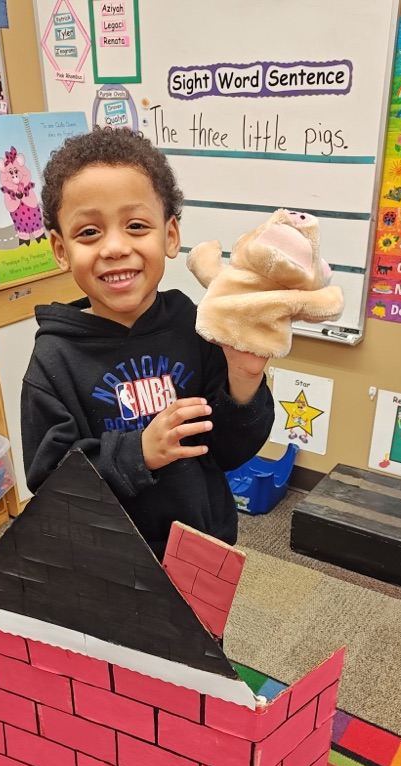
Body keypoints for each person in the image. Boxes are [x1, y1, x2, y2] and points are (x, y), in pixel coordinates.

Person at [21, 127, 274, 559]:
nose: (115, 247)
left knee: (202, 630)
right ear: (61, 250)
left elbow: (228, 452)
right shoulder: (54, 358)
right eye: (88, 233)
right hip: (106, 557)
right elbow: (52, 483)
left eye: (136, 226)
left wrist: (245, 379)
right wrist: (138, 452)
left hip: (201, 545)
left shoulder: (197, 327)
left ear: (170, 235)